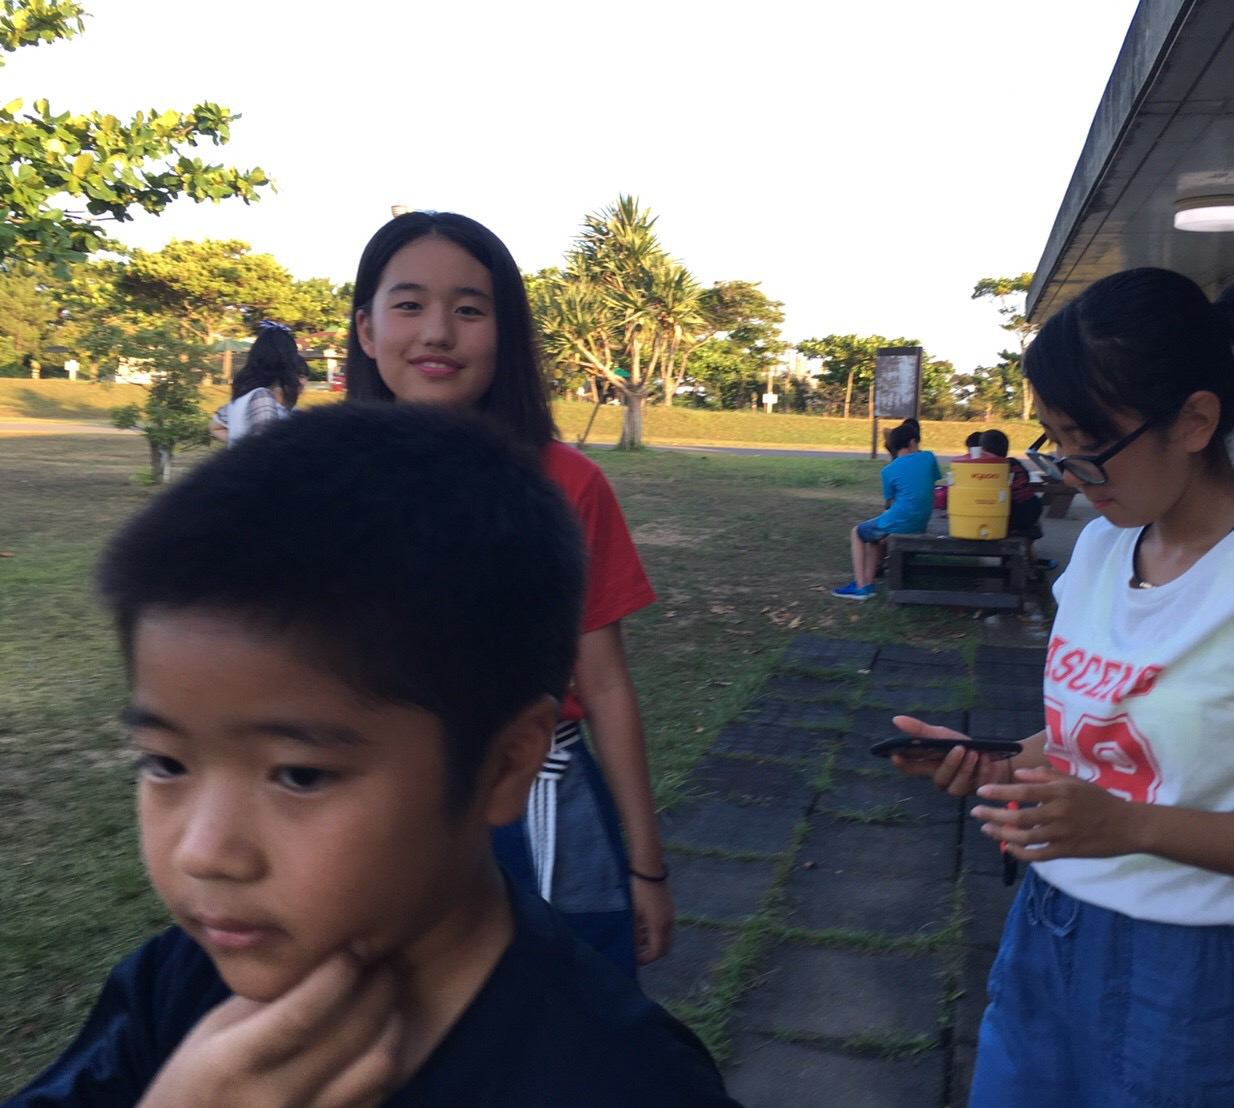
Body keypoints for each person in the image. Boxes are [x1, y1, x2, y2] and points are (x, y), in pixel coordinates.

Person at [7, 404, 738, 1107]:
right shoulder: (175, 988)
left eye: (299, 775)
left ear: (505, 764)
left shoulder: (624, 1081)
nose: (205, 854)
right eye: (165, 763)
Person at [890, 268, 1234, 1107]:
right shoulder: (1101, 550)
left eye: (1089, 444)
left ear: (1194, 421)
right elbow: (1096, 740)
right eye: (1056, 442)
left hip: (1203, 973)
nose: (1073, 471)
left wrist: (1129, 825)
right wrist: (1002, 760)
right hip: (1050, 924)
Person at [343, 211, 671, 977]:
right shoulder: (319, 482)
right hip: (372, 812)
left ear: (505, 331)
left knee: (566, 1040)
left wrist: (647, 864)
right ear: (366, 329)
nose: (437, 333)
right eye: (409, 304)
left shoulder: (569, 485)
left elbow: (606, 683)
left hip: (546, 808)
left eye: (469, 309)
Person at [831, 420, 941, 600]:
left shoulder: (888, 470)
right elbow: (932, 483)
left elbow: (890, 499)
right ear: (913, 442)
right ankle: (868, 582)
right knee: (874, 536)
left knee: (857, 533)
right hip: (920, 522)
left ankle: (859, 586)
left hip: (901, 521)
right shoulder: (929, 457)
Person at [208, 322, 309, 446]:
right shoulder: (262, 397)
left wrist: (238, 448)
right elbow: (267, 447)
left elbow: (215, 427)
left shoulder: (243, 395)